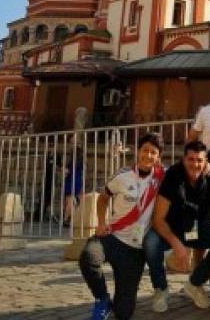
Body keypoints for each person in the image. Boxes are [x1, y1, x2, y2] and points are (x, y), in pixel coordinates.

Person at [143, 140, 210, 313]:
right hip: (170, 228)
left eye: (199, 160)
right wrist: (175, 244)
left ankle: (194, 283)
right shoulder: (173, 176)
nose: (195, 164)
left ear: (205, 163)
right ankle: (161, 289)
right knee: (151, 242)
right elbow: (158, 220)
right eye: (191, 159)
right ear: (183, 159)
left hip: (193, 229)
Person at [79, 132, 165, 320]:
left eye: (153, 152)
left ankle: (116, 304)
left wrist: (208, 166)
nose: (148, 156)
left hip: (135, 250)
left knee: (124, 312)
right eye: (145, 151)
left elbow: (187, 169)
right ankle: (102, 299)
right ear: (137, 151)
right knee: (88, 257)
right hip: (112, 237)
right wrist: (101, 223)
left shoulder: (162, 178)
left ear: (158, 157)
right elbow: (103, 198)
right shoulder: (122, 175)